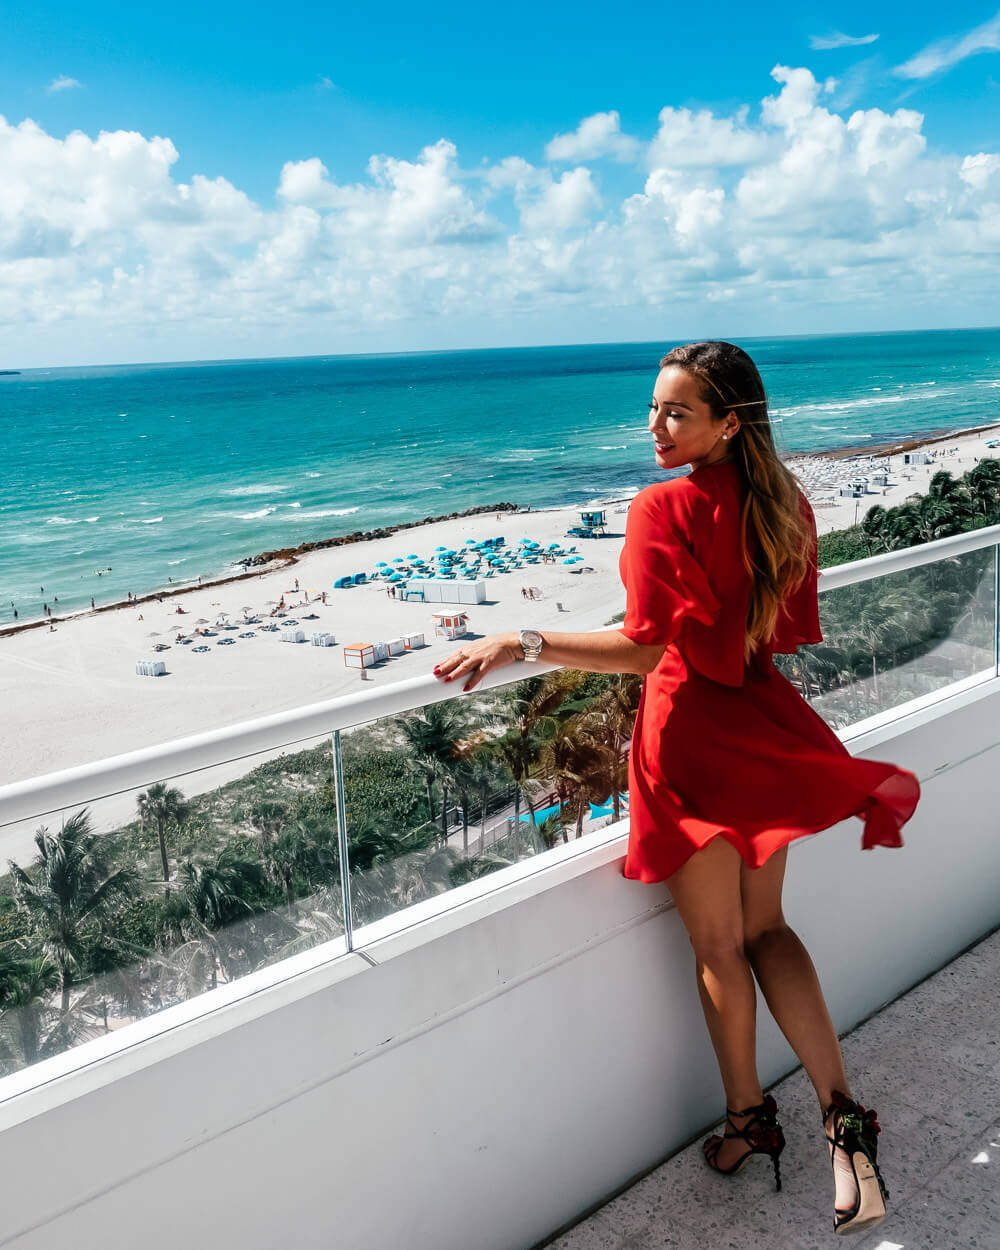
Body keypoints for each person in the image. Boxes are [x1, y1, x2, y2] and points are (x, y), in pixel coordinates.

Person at [432, 341, 919, 1237]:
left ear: (727, 422)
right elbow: (781, 634)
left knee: (720, 949)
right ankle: (844, 1116)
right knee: (771, 929)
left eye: (676, 412)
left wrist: (520, 641)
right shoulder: (784, 504)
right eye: (653, 408)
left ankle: (748, 1126)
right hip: (759, 726)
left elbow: (650, 646)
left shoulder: (662, 504)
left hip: (689, 740)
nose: (653, 428)